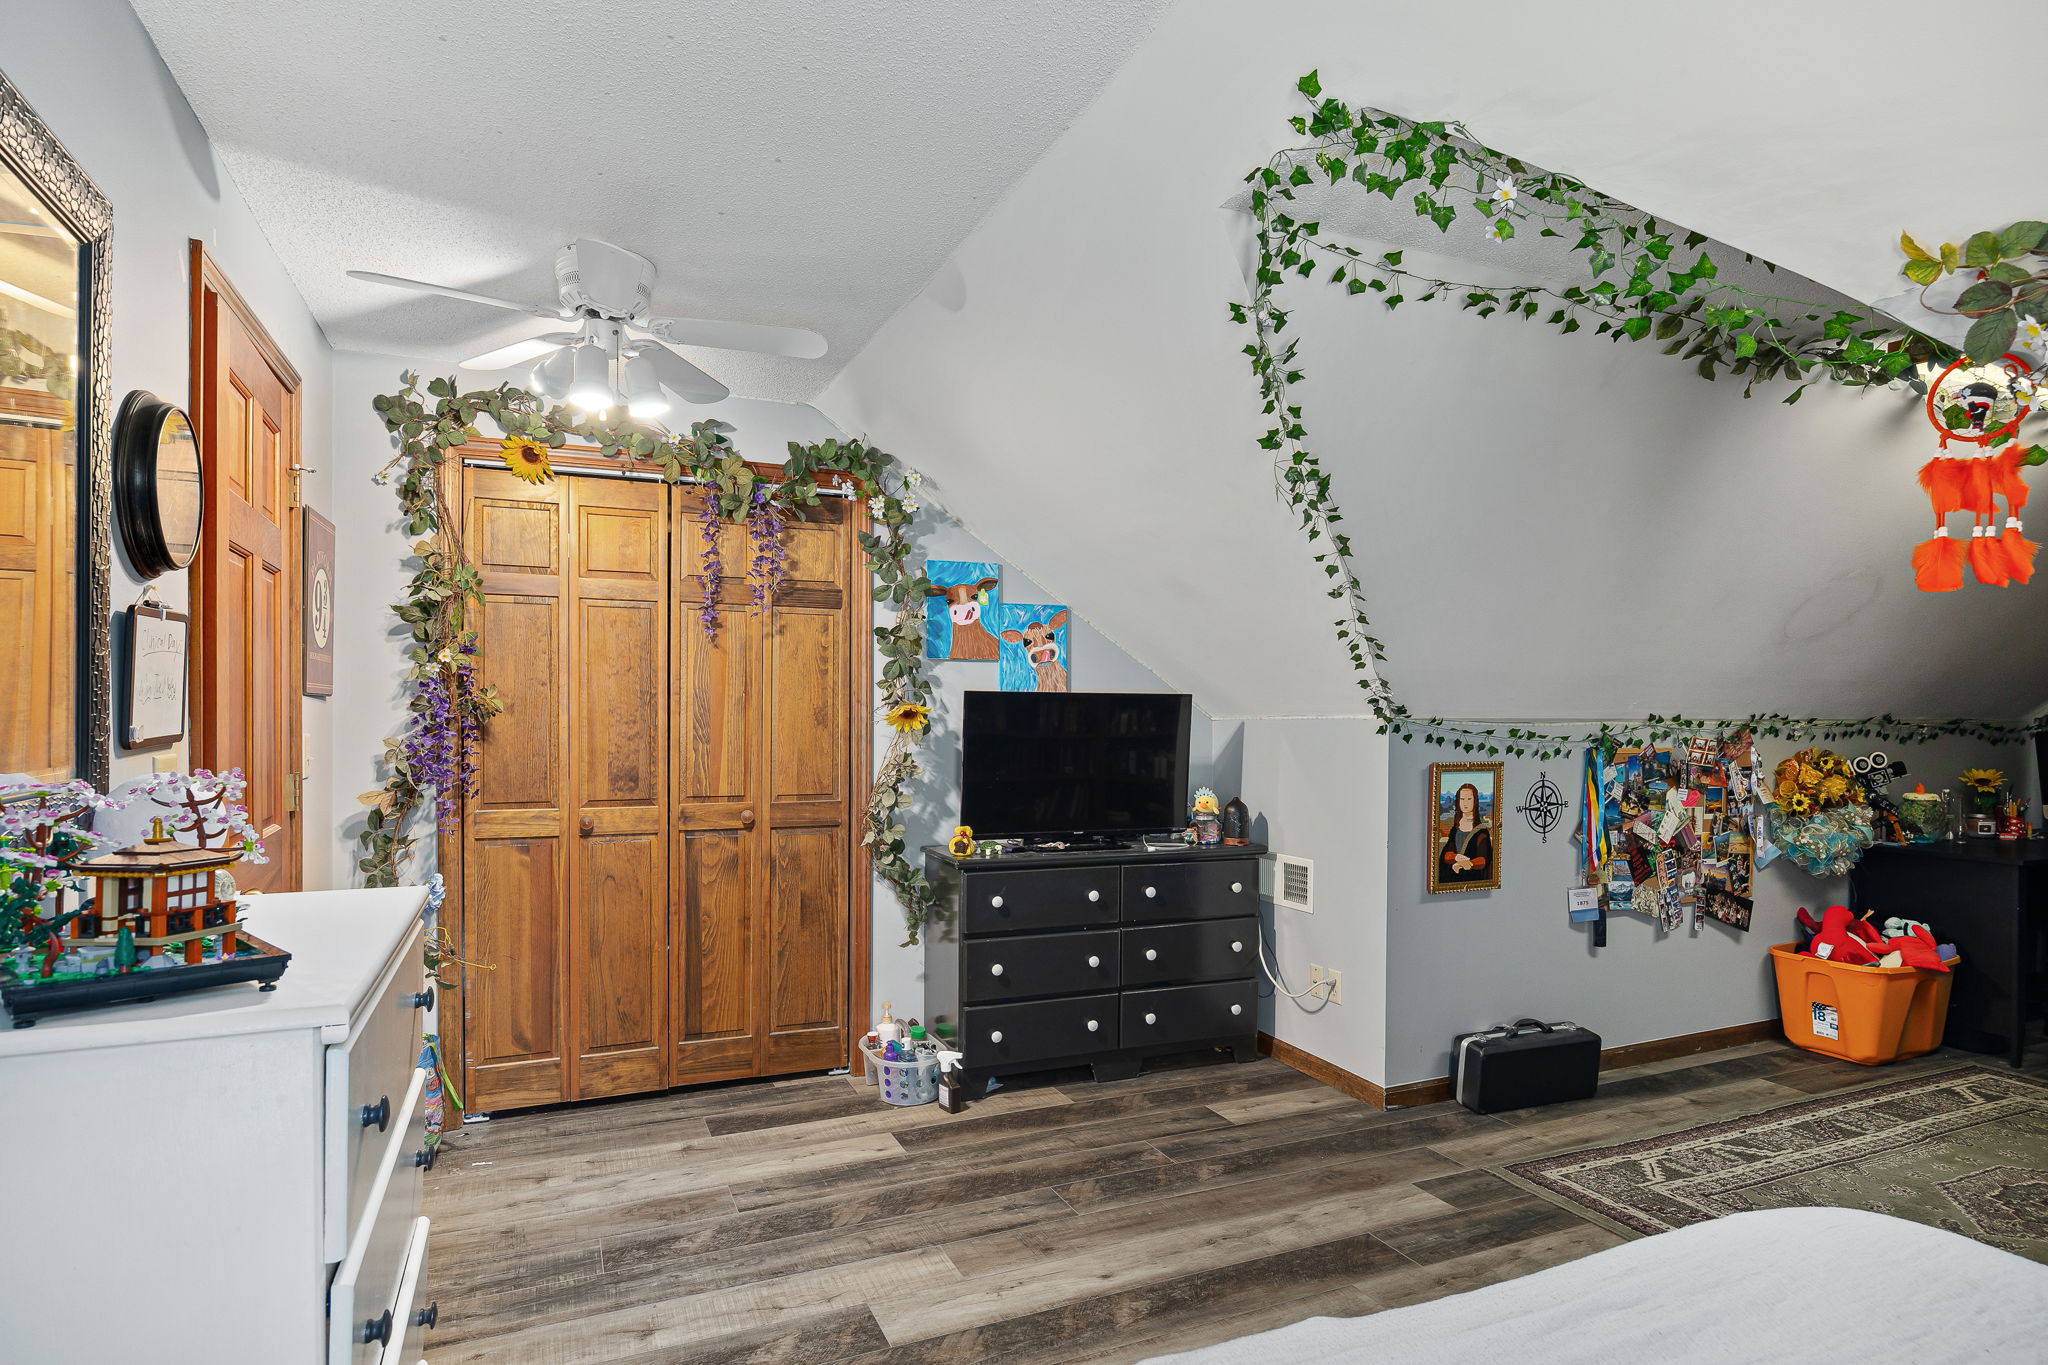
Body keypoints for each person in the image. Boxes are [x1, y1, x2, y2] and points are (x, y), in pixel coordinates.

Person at [1439, 782, 1493, 885]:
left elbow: (1483, 860)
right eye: (1462, 799)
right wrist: (1455, 857)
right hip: (1452, 877)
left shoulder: (1482, 832)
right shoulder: (1455, 829)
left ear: (1475, 801)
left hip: (1473, 878)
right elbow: (1446, 854)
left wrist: (1464, 864)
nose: (1465, 803)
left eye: (1469, 799)